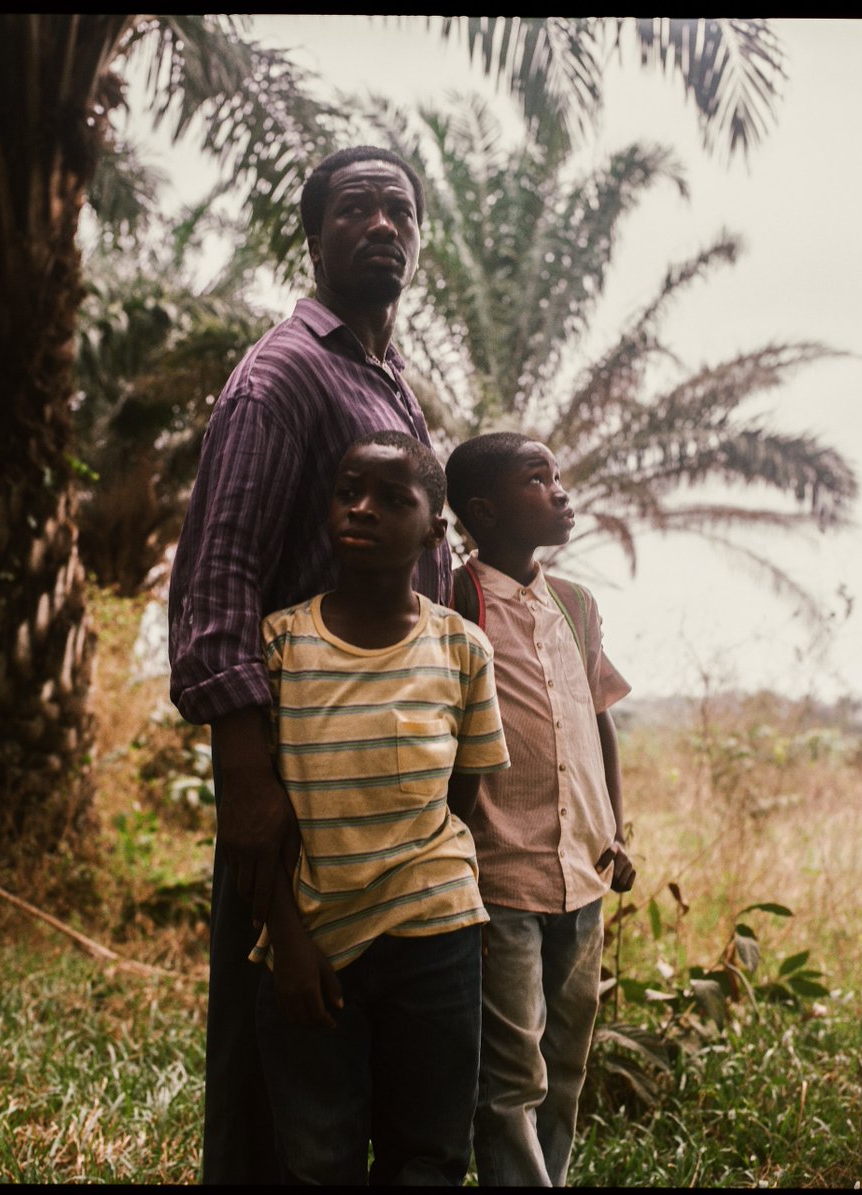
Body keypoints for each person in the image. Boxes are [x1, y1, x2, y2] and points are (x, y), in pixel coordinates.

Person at [167, 146, 452, 1185]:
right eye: (356, 208)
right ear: (315, 234)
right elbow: (218, 584)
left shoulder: (382, 380)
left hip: (389, 789)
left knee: (362, 1069)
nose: (383, 224)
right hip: (299, 779)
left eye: (401, 210)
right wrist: (247, 782)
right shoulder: (281, 376)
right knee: (276, 1084)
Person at [251, 429, 510, 1184]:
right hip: (312, 946)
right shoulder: (282, 645)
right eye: (348, 491)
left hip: (436, 938)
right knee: (315, 1155)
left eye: (392, 499)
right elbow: (253, 813)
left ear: (434, 528)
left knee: (429, 1152)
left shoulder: (461, 649)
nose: (361, 509)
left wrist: (440, 889)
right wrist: (286, 936)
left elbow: (462, 793)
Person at [443, 431, 635, 1187]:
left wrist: (615, 828)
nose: (559, 489)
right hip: (500, 875)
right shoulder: (458, 600)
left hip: (583, 875)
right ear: (483, 513)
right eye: (537, 478)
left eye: (557, 476)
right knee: (512, 1074)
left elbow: (601, 718)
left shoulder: (577, 606)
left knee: (565, 1065)